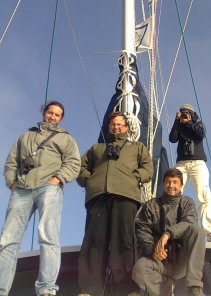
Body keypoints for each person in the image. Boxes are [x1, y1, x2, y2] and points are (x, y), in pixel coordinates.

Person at [0, 100, 81, 296]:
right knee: (7, 240)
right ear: (44, 113)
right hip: (22, 189)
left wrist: (57, 179)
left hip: (49, 188)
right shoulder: (25, 136)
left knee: (48, 236)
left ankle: (46, 289)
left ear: (61, 118)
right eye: (50, 112)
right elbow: (11, 162)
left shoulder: (66, 139)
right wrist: (12, 181)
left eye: (57, 114)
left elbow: (73, 163)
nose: (53, 116)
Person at [77, 112, 153, 296]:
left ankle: (125, 289)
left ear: (126, 127)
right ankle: (89, 290)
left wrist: (135, 177)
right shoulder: (97, 149)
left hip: (126, 196)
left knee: (124, 243)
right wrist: (90, 180)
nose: (116, 127)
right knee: (94, 243)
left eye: (120, 125)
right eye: (113, 125)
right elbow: (81, 167)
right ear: (109, 127)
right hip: (99, 196)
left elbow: (148, 168)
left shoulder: (137, 147)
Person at [132, 168, 205, 296]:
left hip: (181, 259)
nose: (171, 186)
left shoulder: (187, 202)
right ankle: (164, 292)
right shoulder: (151, 205)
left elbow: (189, 222)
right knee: (139, 269)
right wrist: (152, 251)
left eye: (175, 182)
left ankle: (194, 288)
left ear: (181, 185)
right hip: (159, 260)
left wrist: (168, 234)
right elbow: (142, 229)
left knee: (197, 231)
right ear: (164, 184)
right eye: (168, 182)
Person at [169, 104, 211, 243]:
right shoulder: (179, 126)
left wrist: (189, 122)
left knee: (204, 195)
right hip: (181, 164)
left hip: (198, 163)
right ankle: (172, 228)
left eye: (187, 112)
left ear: (192, 114)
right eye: (183, 112)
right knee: (173, 193)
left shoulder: (198, 124)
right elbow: (172, 138)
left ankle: (210, 231)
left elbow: (199, 135)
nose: (184, 114)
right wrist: (177, 121)